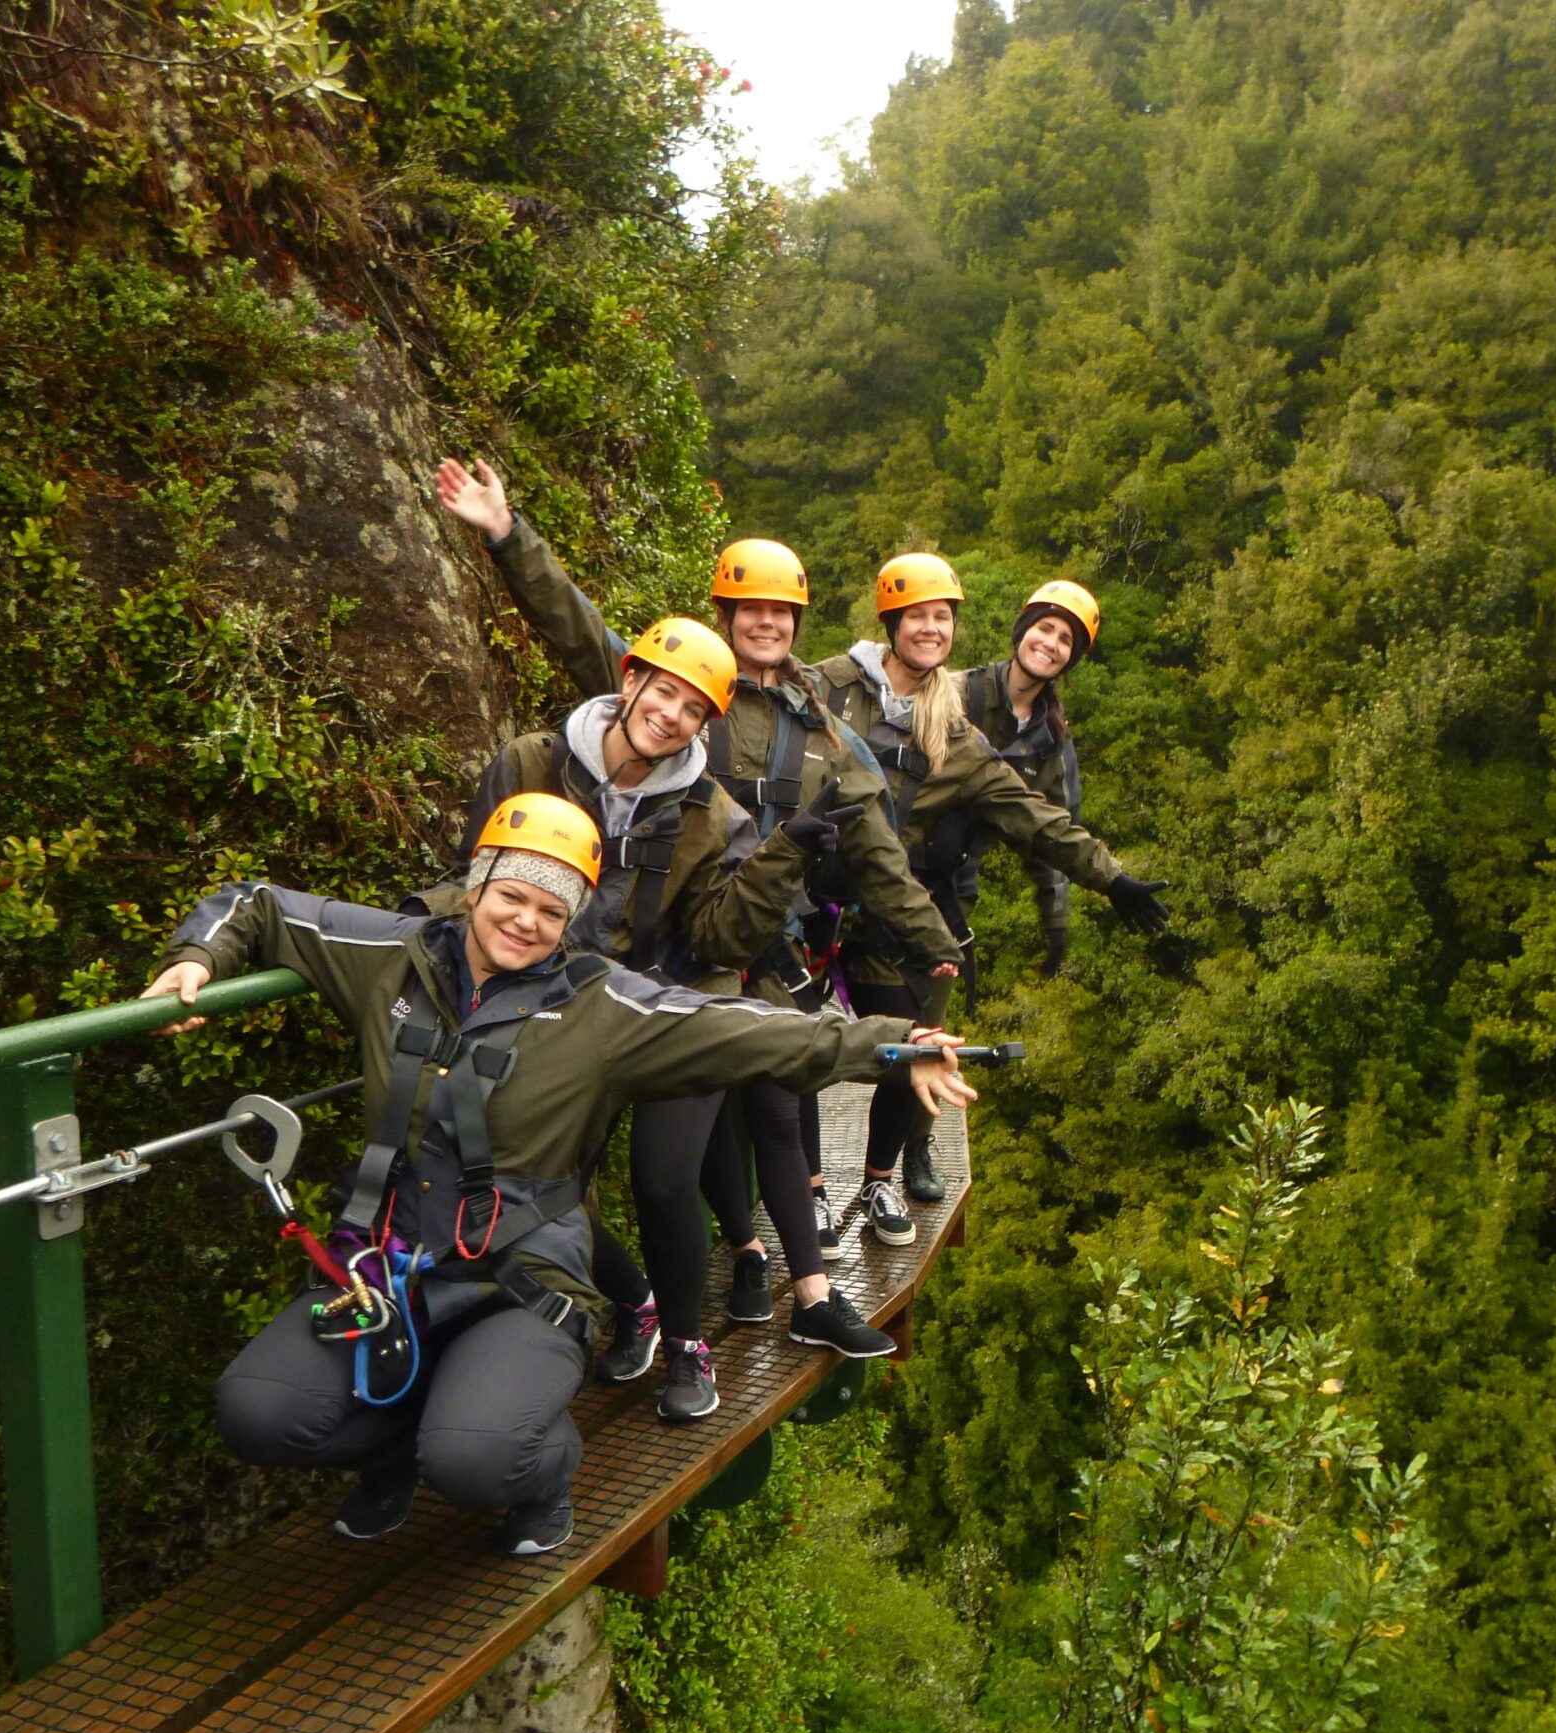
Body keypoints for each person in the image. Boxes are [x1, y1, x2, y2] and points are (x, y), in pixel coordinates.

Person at [138, 792, 975, 1557]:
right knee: (255, 1411)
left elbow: (749, 1030)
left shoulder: (602, 1008)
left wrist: (896, 1048)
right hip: (388, 1264)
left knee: (475, 1459)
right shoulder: (394, 957)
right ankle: (397, 1450)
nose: (526, 921)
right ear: (476, 888)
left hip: (523, 1275)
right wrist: (197, 958)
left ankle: (542, 1474)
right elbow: (262, 904)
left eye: (552, 909)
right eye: (511, 896)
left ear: (572, 920)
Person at [434, 457, 958, 1364]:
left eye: (781, 611)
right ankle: (733, 1265)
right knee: (693, 1134)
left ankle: (806, 1287)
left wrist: (930, 942)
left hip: (750, 937)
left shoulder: (823, 727)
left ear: (797, 623)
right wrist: (507, 536)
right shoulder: (686, 687)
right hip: (656, 945)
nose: (765, 622)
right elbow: (576, 629)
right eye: (750, 607)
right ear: (723, 617)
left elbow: (873, 842)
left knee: (777, 1105)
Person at [408, 601, 835, 1424]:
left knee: (665, 1177)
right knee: (532, 1175)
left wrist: (787, 858)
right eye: (661, 691)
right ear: (630, 679)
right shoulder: (531, 762)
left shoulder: (715, 814)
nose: (669, 715)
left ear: (704, 724)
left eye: (692, 708)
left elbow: (720, 933)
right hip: (551, 996)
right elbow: (481, 879)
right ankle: (633, 1298)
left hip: (666, 997)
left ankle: (685, 1344)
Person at [813, 553, 1168, 1246]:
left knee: (907, 1044)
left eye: (942, 617)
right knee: (787, 1047)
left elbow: (1037, 816)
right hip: (810, 895)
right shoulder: (835, 689)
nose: (930, 628)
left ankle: (881, 1177)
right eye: (917, 616)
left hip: (904, 905)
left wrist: (1111, 878)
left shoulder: (959, 733)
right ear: (891, 621)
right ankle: (811, 1195)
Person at [955, 579, 1103, 982]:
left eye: (1065, 639)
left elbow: (1054, 832)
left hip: (954, 893)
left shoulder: (1050, 739)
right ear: (1022, 631)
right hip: (896, 872)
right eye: (1044, 628)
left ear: (1070, 658)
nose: (1051, 643)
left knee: (921, 1026)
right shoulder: (962, 695)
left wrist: (1056, 926)